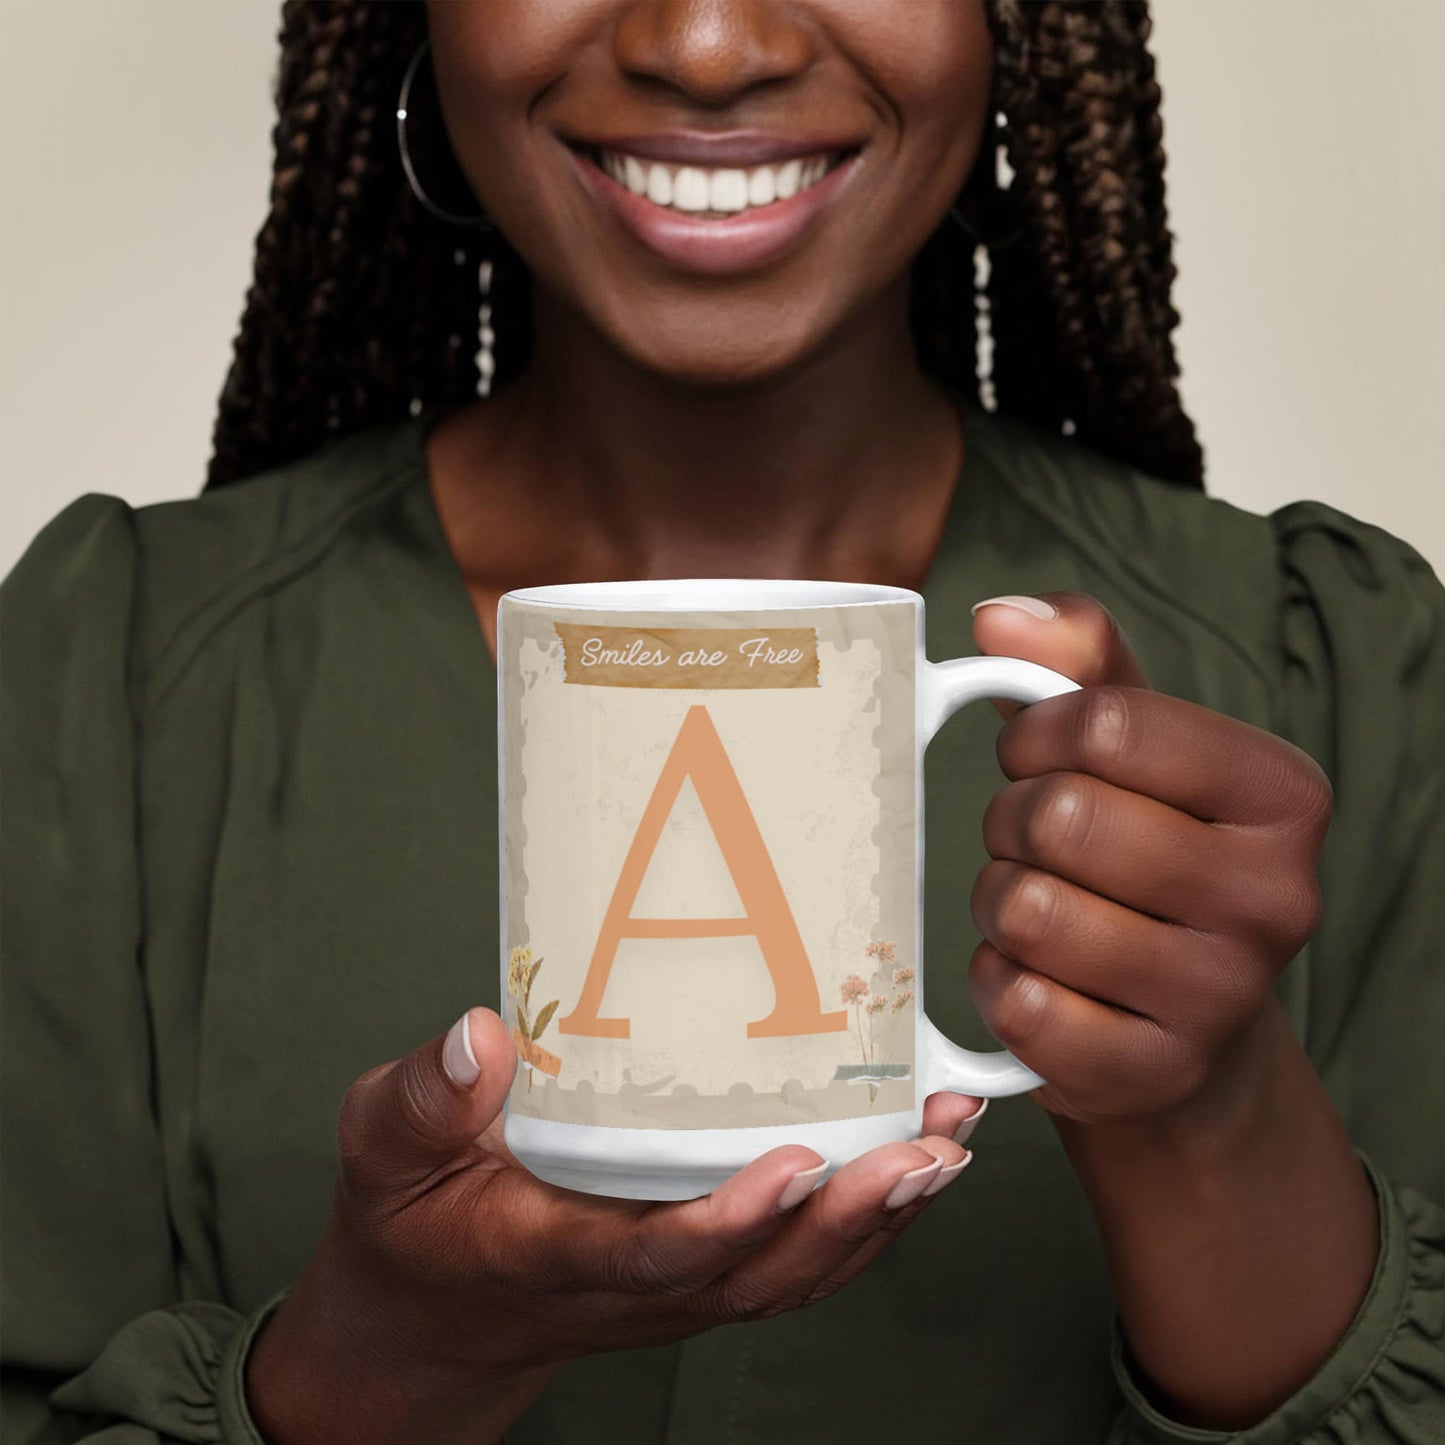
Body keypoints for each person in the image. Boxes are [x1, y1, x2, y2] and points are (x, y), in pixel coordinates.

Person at [3, 1, 1442, 1441]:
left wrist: (1209, 1113)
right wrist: (383, 1364)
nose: (702, 44)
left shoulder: (1331, 669)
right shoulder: (115, 683)